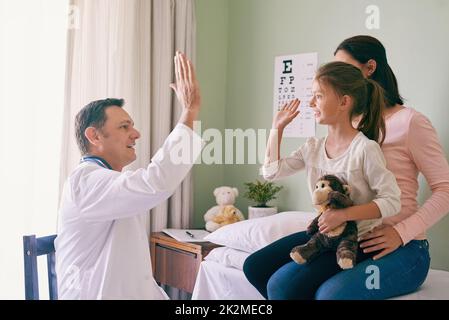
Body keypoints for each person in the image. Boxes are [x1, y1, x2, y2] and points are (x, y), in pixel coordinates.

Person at [243, 61, 401, 300]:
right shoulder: (313, 147)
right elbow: (271, 172)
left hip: (354, 241)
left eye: (318, 96)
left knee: (281, 286)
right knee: (253, 266)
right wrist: (277, 128)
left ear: (344, 102)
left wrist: (343, 215)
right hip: (323, 235)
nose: (311, 103)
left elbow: (392, 202)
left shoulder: (365, 149)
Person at [310, 35, 449, 299]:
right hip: (352, 238)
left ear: (370, 68)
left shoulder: (410, 122)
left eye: (344, 68)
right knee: (281, 283)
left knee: (330, 295)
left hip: (405, 249)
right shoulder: (351, 123)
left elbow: (445, 190)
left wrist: (400, 232)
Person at [55, 52, 203, 299]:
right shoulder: (85, 182)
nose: (136, 134)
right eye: (124, 127)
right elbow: (155, 182)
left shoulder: (111, 183)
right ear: (94, 136)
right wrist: (189, 111)